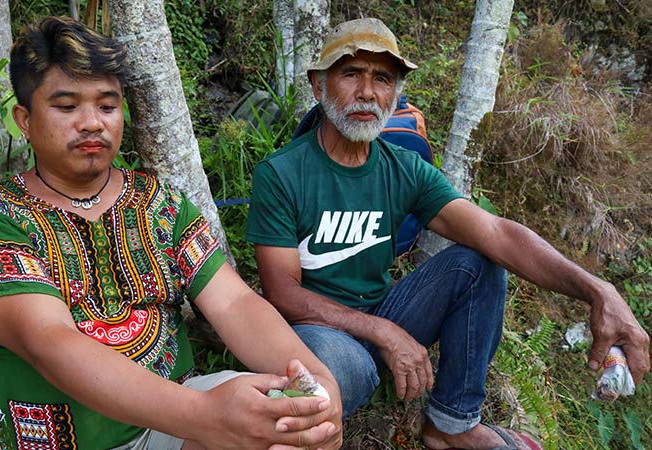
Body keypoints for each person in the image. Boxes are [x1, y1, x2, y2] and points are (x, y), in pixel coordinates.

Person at [245, 17, 650, 450]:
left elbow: (496, 232)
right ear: (318, 85)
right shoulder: (283, 173)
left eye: (382, 78)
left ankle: (451, 425)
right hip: (318, 331)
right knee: (340, 370)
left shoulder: (402, 167)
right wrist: (383, 333)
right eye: (351, 74)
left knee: (479, 262)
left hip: (385, 310)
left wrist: (598, 290)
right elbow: (283, 293)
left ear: (396, 93)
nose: (367, 93)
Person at [0, 16, 342, 450]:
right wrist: (207, 417)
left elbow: (234, 301)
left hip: (174, 424)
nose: (92, 122)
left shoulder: (160, 204)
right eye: (66, 106)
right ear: (24, 118)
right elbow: (49, 342)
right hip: (69, 440)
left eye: (107, 106)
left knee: (293, 430)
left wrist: (311, 374)